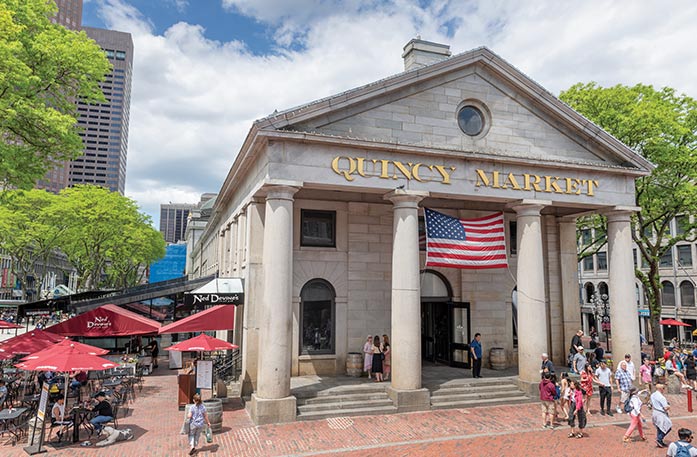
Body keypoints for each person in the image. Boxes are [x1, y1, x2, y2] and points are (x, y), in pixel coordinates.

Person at [650, 383, 672, 448]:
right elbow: (665, 407)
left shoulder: (653, 395)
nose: (664, 390)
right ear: (661, 389)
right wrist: (669, 406)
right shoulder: (661, 397)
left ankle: (660, 441)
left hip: (655, 412)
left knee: (659, 428)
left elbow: (650, 403)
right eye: (663, 388)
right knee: (668, 426)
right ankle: (659, 439)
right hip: (661, 413)